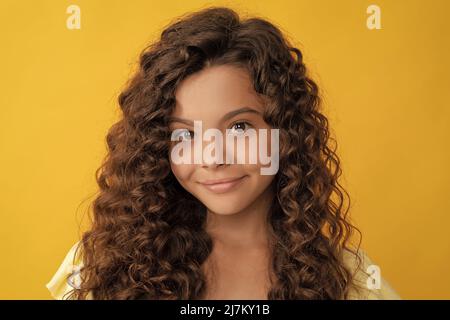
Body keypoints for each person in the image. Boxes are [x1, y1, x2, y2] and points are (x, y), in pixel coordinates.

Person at [46, 6, 401, 300]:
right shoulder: (102, 265)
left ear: (284, 133)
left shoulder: (350, 279)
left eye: (239, 128)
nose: (213, 158)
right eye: (184, 134)